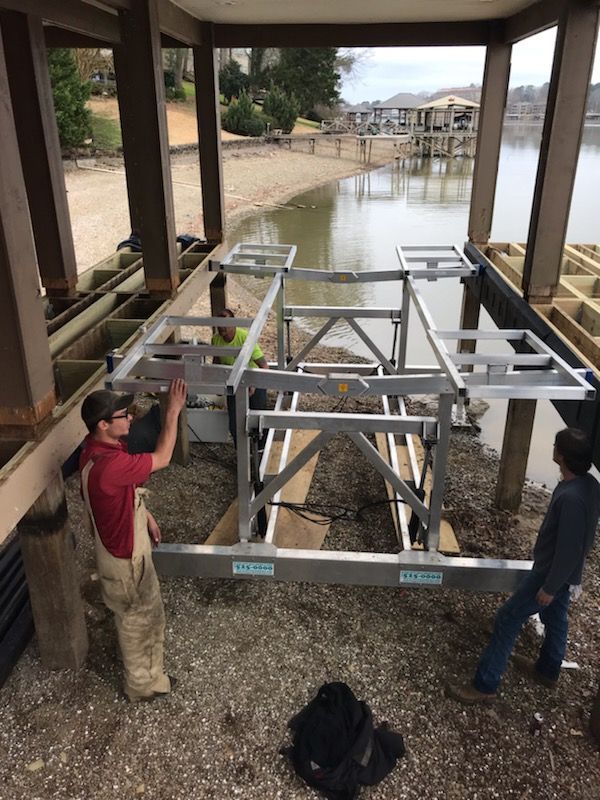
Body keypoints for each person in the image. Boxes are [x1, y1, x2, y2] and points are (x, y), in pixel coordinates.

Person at [446, 427, 600, 705]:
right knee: (556, 617)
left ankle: (485, 684)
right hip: (564, 574)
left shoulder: (572, 499)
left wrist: (550, 586)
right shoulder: (588, 485)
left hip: (550, 574)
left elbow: (569, 549)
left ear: (561, 456)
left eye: (555, 445)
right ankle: (548, 670)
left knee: (508, 617)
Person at [79, 379, 187, 702]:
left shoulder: (93, 451)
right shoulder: (112, 466)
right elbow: (163, 456)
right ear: (102, 424)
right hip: (126, 560)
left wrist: (146, 515)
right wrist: (172, 412)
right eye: (123, 416)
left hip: (113, 547)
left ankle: (147, 676)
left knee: (133, 615)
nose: (131, 418)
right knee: (140, 619)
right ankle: (142, 687)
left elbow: (122, 495)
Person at [211, 308, 269, 446]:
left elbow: (264, 366)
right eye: (219, 324)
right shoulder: (216, 340)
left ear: (234, 324)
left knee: (259, 419)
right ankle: (241, 452)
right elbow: (216, 361)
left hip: (253, 380)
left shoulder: (245, 338)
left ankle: (261, 449)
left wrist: (254, 384)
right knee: (235, 423)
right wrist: (216, 381)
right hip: (233, 383)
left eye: (225, 323)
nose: (221, 327)